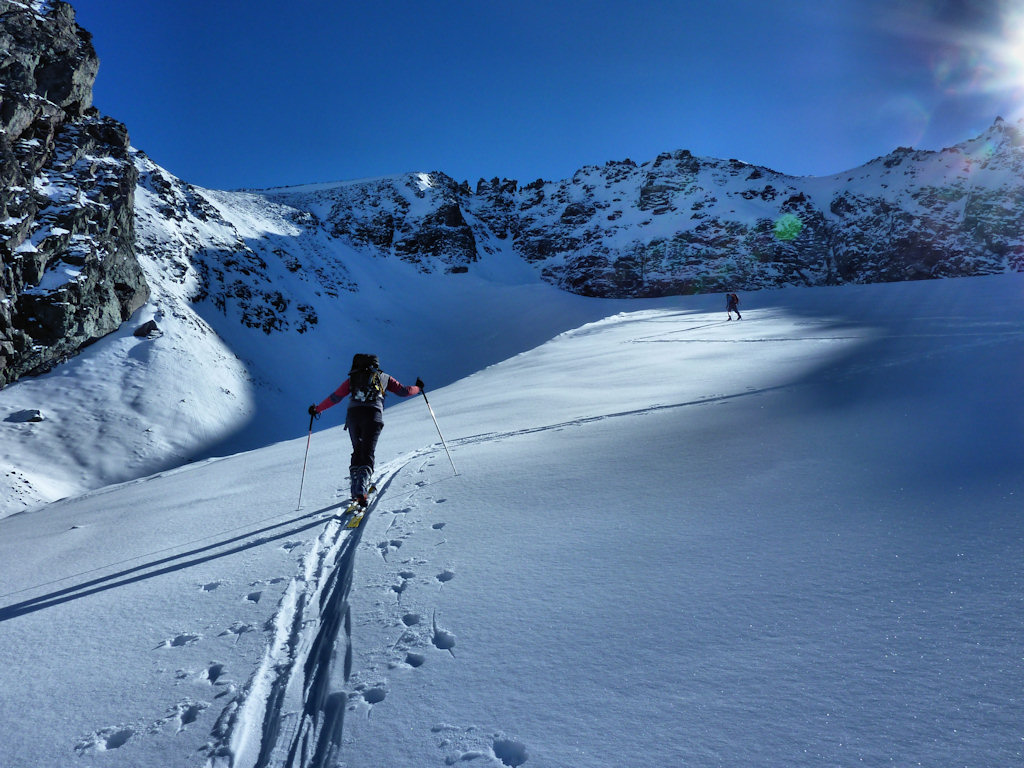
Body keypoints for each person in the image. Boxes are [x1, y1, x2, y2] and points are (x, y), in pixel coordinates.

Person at [309, 353, 422, 506]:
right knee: (367, 452)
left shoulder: (353, 379)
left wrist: (318, 409)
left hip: (353, 417)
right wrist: (418, 388)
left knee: (357, 450)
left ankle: (355, 488)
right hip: (373, 416)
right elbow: (404, 391)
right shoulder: (384, 377)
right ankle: (361, 491)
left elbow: (335, 397)